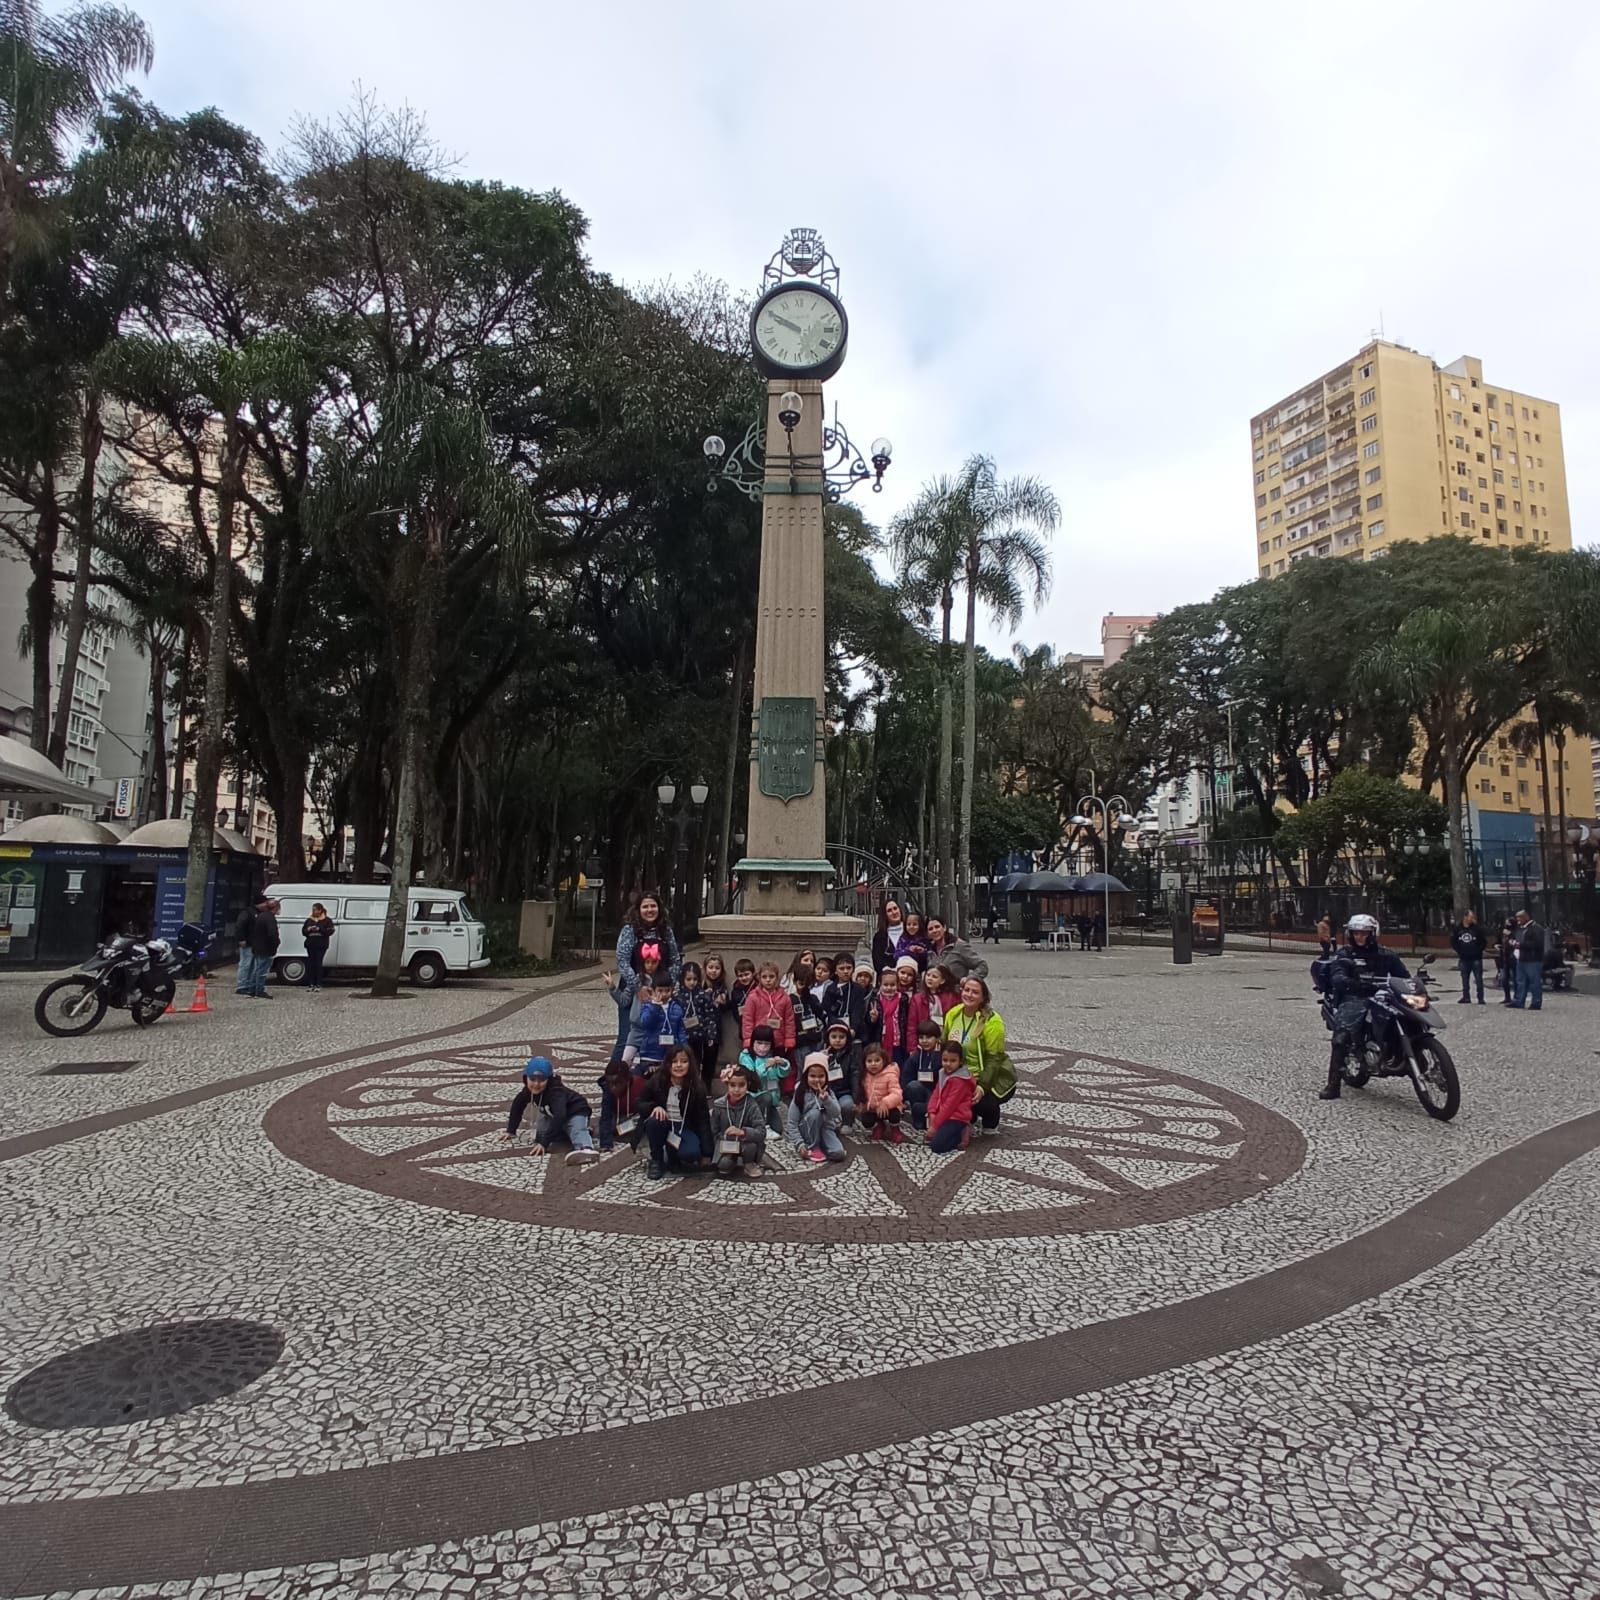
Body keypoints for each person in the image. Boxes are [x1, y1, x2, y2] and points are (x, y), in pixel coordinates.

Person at [1319, 913, 1409, 1101]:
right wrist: (1349, 982)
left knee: (1407, 1015)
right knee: (1341, 1037)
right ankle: (1333, 1085)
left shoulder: (1386, 955)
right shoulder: (1345, 954)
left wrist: (1416, 982)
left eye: (1364, 933)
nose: (1360, 937)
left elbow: (1403, 975)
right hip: (1355, 997)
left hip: (1383, 995)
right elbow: (1337, 974)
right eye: (1356, 933)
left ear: (1373, 933)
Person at [941, 975, 1015, 1135]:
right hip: (959, 1075)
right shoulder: (953, 1014)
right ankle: (969, 1114)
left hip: (985, 1076)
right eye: (966, 990)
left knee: (983, 1103)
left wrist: (982, 1087)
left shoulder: (992, 1021)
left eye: (975, 992)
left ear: (983, 997)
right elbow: (944, 1043)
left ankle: (991, 1118)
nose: (969, 995)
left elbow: (994, 1059)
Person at [612, 894, 682, 1053]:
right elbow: (622, 961)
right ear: (638, 909)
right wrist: (638, 987)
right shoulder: (629, 930)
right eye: (645, 906)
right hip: (633, 990)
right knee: (626, 1039)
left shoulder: (666, 931)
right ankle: (616, 1075)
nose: (649, 910)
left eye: (653, 906)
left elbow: (675, 960)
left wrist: (667, 986)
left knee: (661, 1037)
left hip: (661, 991)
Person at [501, 1057, 599, 1166]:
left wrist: (544, 1144)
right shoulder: (527, 1091)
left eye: (541, 1080)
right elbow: (517, 1106)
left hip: (575, 1112)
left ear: (549, 1080)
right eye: (532, 1079)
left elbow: (560, 1116)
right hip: (553, 1115)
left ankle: (586, 1149)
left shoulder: (556, 1092)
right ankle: (581, 1132)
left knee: (576, 1129)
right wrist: (511, 1130)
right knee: (541, 1135)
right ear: (526, 1078)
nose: (536, 1084)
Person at [639, 1046, 712, 1180]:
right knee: (655, 1121)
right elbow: (640, 1102)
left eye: (684, 1061)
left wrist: (707, 1153)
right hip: (662, 1123)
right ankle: (656, 1160)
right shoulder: (657, 1080)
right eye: (674, 1061)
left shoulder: (697, 1086)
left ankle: (673, 1156)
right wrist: (654, 1107)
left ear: (690, 1064)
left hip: (683, 1126)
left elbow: (703, 1119)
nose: (679, 1065)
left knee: (692, 1153)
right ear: (668, 1063)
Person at [786, 1053, 847, 1164]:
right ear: (806, 1076)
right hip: (807, 1129)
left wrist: (827, 1100)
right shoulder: (800, 1094)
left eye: (821, 1076)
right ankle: (813, 1146)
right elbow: (791, 1123)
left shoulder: (828, 1092)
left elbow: (836, 1113)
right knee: (815, 1113)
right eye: (813, 1076)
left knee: (839, 1154)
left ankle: (823, 1145)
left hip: (825, 1128)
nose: (817, 1080)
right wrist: (800, 1144)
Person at [710, 1068, 767, 1177]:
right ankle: (730, 1160)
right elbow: (714, 1130)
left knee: (751, 1146)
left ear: (747, 1085)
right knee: (724, 1166)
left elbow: (761, 1132)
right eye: (732, 1085)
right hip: (726, 1144)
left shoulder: (752, 1105)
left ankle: (749, 1163)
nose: (736, 1090)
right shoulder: (719, 1105)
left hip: (745, 1143)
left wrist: (743, 1132)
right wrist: (721, 1143)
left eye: (741, 1085)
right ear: (727, 1085)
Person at [926, 1039, 977, 1154]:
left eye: (953, 1060)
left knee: (937, 1146)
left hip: (957, 1117)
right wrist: (931, 1112)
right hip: (943, 1114)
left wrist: (934, 1125)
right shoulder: (942, 1073)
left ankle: (962, 1133)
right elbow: (936, 1093)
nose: (948, 1064)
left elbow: (950, 1106)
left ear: (960, 1061)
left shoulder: (960, 1081)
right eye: (945, 1060)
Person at [739, 1023, 789, 1133]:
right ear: (753, 1043)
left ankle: (767, 1124)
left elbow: (783, 1074)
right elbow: (751, 1077)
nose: (762, 1048)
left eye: (766, 1044)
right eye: (759, 1043)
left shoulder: (771, 1056)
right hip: (754, 1099)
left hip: (772, 1100)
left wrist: (783, 1063)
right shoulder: (747, 1056)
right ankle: (762, 1125)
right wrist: (765, 1066)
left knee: (778, 1130)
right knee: (766, 1098)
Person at [741, 961, 796, 1055]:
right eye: (764, 977)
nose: (768, 980)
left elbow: (789, 1021)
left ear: (777, 977)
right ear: (759, 978)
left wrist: (789, 1039)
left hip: (779, 1041)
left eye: (771, 976)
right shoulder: (753, 997)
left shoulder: (785, 998)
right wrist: (749, 1039)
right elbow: (748, 1020)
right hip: (759, 1042)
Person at [676, 960, 720, 1073]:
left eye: (695, 979)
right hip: (682, 1036)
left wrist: (711, 1035)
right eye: (688, 979)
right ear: (682, 979)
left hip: (699, 1036)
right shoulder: (678, 996)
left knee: (696, 1063)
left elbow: (710, 1016)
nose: (692, 983)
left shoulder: (703, 995)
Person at [900, 1018, 943, 1132]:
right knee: (913, 1086)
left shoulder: (943, 1055)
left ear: (937, 1038)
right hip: (920, 1090)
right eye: (921, 1037)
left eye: (928, 1037)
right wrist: (901, 1100)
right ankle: (918, 1114)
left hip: (938, 1093)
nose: (924, 1041)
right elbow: (906, 1078)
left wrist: (935, 1056)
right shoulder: (915, 1056)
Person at [597, 1056, 646, 1155]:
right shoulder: (608, 1090)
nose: (613, 1088)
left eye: (616, 1083)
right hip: (621, 1115)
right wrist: (606, 1144)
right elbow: (606, 1115)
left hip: (639, 1114)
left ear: (627, 1080)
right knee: (606, 1129)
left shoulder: (640, 1086)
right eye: (609, 1083)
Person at [858, 1042, 905, 1144]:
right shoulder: (865, 1075)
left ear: (884, 1061)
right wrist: (862, 1104)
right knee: (866, 1120)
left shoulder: (890, 1074)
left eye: (877, 1060)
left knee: (894, 1114)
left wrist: (886, 1102)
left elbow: (897, 1093)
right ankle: (879, 1125)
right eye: (869, 1061)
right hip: (874, 1108)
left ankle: (895, 1129)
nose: (873, 1064)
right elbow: (862, 1091)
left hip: (889, 1107)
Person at [235, 895, 280, 999]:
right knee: (247, 965)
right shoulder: (248, 912)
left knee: (254, 967)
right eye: (264, 902)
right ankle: (243, 986)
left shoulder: (260, 915)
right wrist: (241, 939)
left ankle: (250, 987)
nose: (266, 904)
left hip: (255, 943)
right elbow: (240, 925)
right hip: (249, 943)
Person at [924, 917, 990, 985]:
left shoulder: (959, 946)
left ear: (944, 928)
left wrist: (969, 979)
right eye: (930, 929)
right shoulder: (929, 951)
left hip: (956, 992)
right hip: (936, 994)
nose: (934, 931)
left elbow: (982, 966)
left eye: (937, 927)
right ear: (928, 933)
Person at [882, 957, 920, 1065]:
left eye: (909, 975)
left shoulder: (915, 995)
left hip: (904, 1037)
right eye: (902, 972)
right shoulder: (887, 991)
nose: (905, 977)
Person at [823, 1020, 859, 1125]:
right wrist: (821, 1059)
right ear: (828, 1038)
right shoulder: (822, 1053)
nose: (837, 1040)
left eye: (841, 1037)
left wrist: (856, 1098)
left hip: (844, 1092)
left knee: (847, 1105)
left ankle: (847, 1122)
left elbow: (855, 1076)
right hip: (827, 1092)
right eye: (834, 1037)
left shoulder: (852, 1055)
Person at [1449, 909, 1487, 1006]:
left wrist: (1478, 951)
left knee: (1478, 978)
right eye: (1471, 917)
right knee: (1464, 979)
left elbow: (1483, 942)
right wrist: (1460, 951)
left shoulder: (1477, 929)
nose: (1472, 919)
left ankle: (1480, 998)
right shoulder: (1458, 929)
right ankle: (1466, 997)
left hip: (1476, 958)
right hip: (1464, 958)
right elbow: (1453, 942)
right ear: (1465, 917)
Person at [1512, 909, 1546, 1011]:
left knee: (1534, 982)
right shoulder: (1520, 929)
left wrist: (1520, 945)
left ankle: (1536, 1002)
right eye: (1517, 917)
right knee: (1520, 981)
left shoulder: (1536, 928)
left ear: (1526, 917)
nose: (1518, 920)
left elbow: (1537, 944)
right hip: (1521, 958)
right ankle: (1519, 1001)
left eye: (1520, 917)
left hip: (1533, 959)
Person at [301, 903, 335, 992]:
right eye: (312, 910)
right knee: (310, 964)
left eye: (315, 910)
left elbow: (330, 931)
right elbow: (303, 931)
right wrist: (308, 929)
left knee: (318, 963)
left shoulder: (327, 920)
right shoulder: (309, 920)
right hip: (310, 944)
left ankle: (318, 984)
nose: (313, 911)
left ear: (320, 910)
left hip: (321, 945)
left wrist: (320, 929)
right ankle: (311, 983)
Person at [847, 959, 880, 1043]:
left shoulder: (874, 994)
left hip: (868, 1034)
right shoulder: (849, 991)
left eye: (866, 976)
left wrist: (873, 1018)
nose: (863, 978)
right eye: (860, 975)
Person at [871, 898, 906, 976]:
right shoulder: (879, 937)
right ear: (885, 915)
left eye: (895, 908)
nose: (894, 912)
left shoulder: (910, 931)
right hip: (888, 979)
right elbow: (877, 961)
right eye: (889, 911)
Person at [1496, 918, 1518, 1006]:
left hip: (1513, 958)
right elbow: (1498, 941)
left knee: (1516, 979)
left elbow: (1516, 942)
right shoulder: (1502, 933)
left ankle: (1516, 997)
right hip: (1504, 958)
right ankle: (1507, 996)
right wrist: (1497, 945)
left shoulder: (1516, 932)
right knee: (1505, 979)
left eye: (1508, 923)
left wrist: (1510, 935)